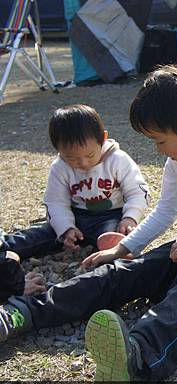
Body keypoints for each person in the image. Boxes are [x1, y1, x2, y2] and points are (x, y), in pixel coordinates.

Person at [0, 65, 177, 384]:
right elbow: (164, 211)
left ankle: (139, 357)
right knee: (128, 270)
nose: (158, 149)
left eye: (160, 140)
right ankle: (24, 311)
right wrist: (123, 249)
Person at [0, 104, 149, 301]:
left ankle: (117, 251)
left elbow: (137, 191)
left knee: (110, 235)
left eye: (90, 155)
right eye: (72, 158)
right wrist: (65, 228)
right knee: (41, 234)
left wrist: (130, 217)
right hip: (75, 216)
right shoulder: (60, 168)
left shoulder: (118, 160)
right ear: (59, 151)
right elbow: (55, 202)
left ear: (103, 139)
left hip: (109, 215)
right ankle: (6, 246)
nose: (83, 163)